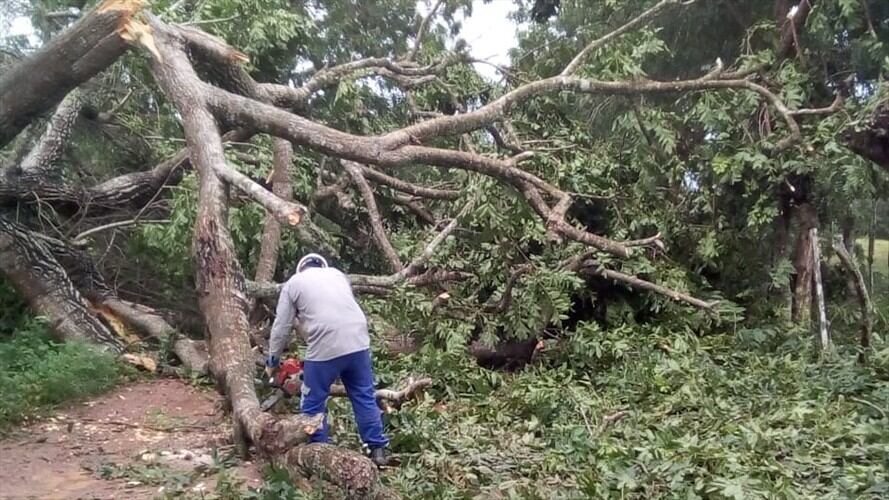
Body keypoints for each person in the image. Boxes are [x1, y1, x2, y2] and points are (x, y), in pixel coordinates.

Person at [265, 253, 389, 466]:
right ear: (322, 266)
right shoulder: (338, 275)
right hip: (358, 339)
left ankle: (320, 453)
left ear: (301, 269)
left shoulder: (293, 283)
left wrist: (273, 361)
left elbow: (281, 327)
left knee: (313, 403)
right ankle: (377, 450)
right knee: (363, 395)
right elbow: (334, 312)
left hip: (326, 342)